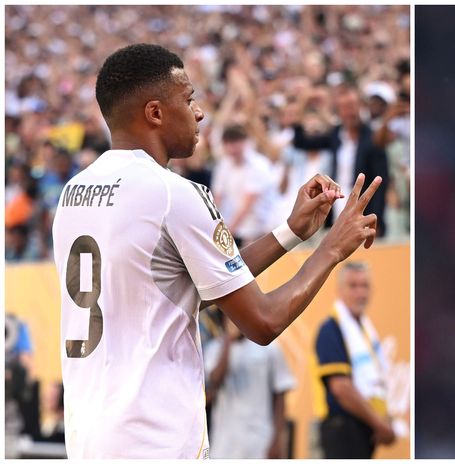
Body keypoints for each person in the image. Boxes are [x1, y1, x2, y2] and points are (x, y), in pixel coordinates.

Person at [52, 43, 382, 459]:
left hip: (89, 438)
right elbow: (263, 322)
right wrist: (331, 247)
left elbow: (182, 292)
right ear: (155, 113)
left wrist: (290, 232)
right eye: (188, 100)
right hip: (156, 439)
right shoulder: (174, 193)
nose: (199, 113)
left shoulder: (73, 192)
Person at [315, 262, 395, 458]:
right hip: (342, 430)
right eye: (353, 286)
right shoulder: (331, 329)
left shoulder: (365, 331)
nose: (360, 293)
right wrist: (380, 423)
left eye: (365, 286)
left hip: (361, 430)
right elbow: (341, 388)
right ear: (339, 290)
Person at [292, 86, 390, 237]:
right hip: (336, 213)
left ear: (361, 107)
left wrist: (375, 220)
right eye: (343, 107)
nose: (349, 112)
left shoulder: (372, 138)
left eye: (352, 106)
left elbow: (380, 184)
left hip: (363, 215)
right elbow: (301, 142)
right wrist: (302, 104)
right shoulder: (336, 135)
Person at [205, 316, 296, 458]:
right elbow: (215, 381)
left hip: (260, 442)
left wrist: (278, 439)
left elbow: (280, 396)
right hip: (224, 445)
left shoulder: (269, 347)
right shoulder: (214, 348)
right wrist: (228, 341)